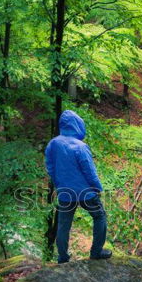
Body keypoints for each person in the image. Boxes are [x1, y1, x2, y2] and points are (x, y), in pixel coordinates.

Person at [45, 110, 112, 264]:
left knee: (63, 225)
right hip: (86, 192)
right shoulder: (80, 146)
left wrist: (59, 185)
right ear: (77, 125)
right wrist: (97, 187)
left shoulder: (53, 144)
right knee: (99, 216)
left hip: (65, 193)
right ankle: (96, 252)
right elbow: (89, 170)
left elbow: (50, 167)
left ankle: (62, 257)